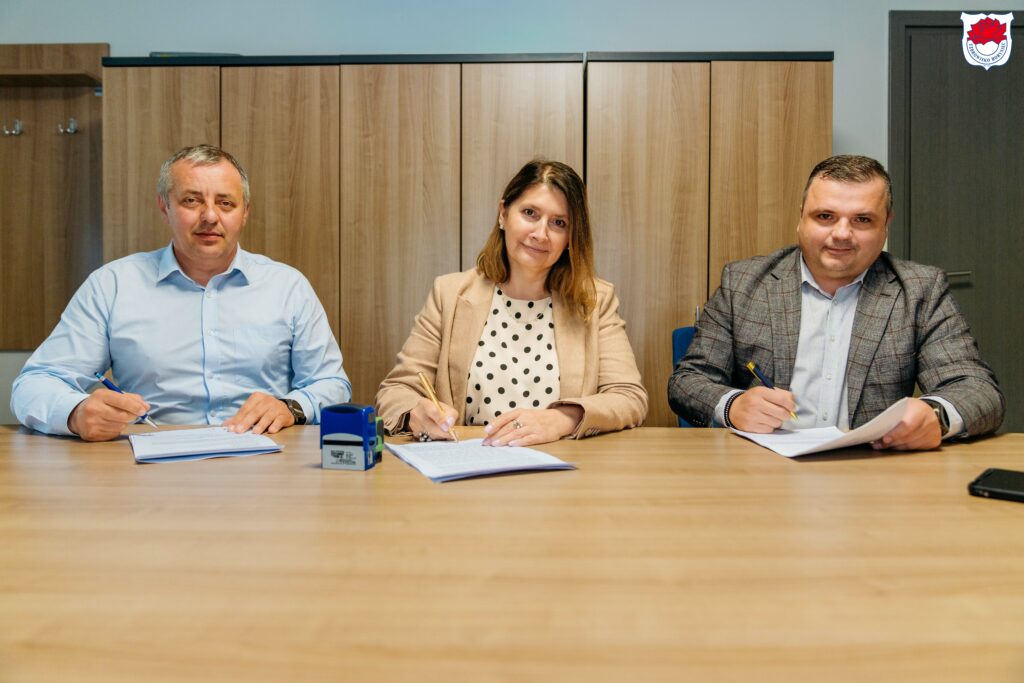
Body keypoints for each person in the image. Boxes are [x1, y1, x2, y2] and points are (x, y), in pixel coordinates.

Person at [11, 144, 351, 441]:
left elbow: (332, 384)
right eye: (191, 200)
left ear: (245, 213)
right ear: (165, 207)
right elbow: (34, 384)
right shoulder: (112, 286)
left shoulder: (287, 287)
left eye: (226, 203)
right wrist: (76, 413)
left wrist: (290, 407)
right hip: (147, 465)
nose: (210, 216)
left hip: (266, 461)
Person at [669, 154, 1003, 450]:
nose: (842, 233)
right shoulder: (743, 282)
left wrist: (936, 416)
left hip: (870, 468)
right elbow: (688, 381)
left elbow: (978, 390)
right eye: (825, 216)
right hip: (761, 468)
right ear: (801, 217)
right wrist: (733, 406)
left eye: (862, 220)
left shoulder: (920, 290)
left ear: (886, 224)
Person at [376, 159, 647, 446]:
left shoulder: (595, 300)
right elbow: (395, 391)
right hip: (469, 464)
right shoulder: (450, 294)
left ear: (570, 237)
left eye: (559, 223)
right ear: (503, 214)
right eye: (530, 213)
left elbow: (629, 397)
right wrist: (416, 412)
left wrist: (561, 419)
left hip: (560, 465)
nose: (540, 233)